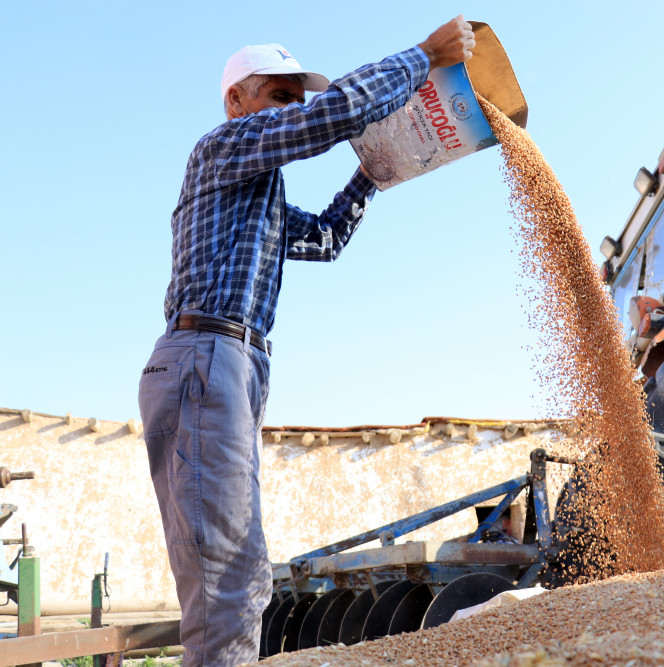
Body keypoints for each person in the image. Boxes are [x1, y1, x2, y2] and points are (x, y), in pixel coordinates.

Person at [138, 17, 476, 666]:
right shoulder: (223, 146)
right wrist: (423, 56)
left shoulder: (251, 198)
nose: (291, 108)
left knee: (235, 578)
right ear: (237, 100)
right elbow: (333, 117)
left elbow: (324, 239)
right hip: (207, 359)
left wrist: (373, 174)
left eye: (297, 97)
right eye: (278, 94)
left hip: (218, 363)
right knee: (229, 583)